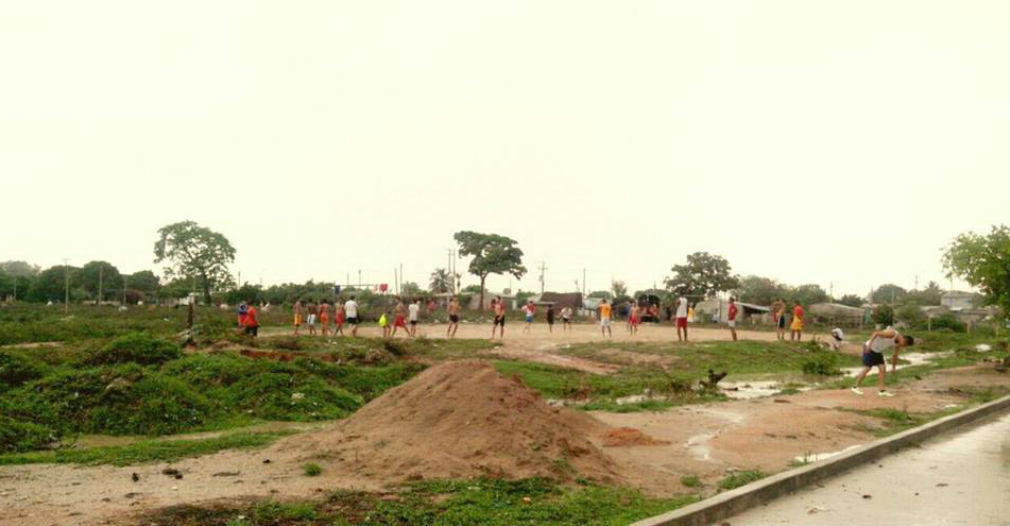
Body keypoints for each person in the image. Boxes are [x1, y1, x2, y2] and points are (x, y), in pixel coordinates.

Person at [851, 326, 915, 397]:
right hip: (870, 348)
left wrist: (893, 368)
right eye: (904, 345)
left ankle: (881, 391)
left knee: (882, 368)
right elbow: (876, 333)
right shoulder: (892, 334)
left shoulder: (898, 344)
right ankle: (855, 387)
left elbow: (894, 356)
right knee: (867, 368)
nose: (902, 346)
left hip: (878, 351)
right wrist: (869, 345)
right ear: (904, 340)